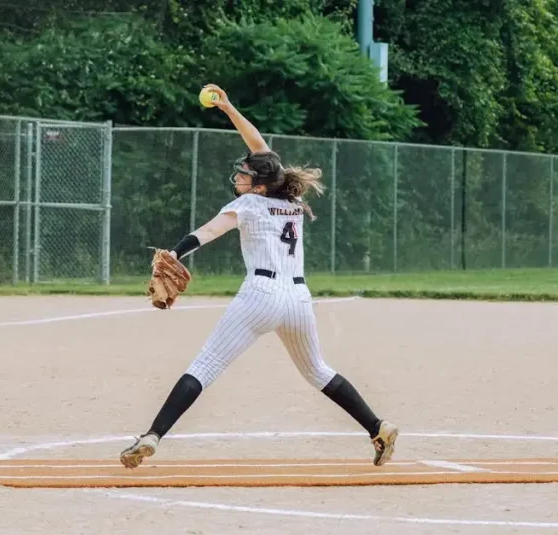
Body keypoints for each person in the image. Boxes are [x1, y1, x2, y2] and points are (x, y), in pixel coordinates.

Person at [119, 84, 398, 469]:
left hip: (261, 295)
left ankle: (152, 435)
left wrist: (175, 253)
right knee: (318, 370)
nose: (240, 175)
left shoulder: (249, 203)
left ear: (260, 184)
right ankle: (378, 428)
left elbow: (207, 232)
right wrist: (229, 107)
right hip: (298, 299)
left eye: (245, 174)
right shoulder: (292, 201)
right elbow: (263, 150)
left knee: (204, 366)